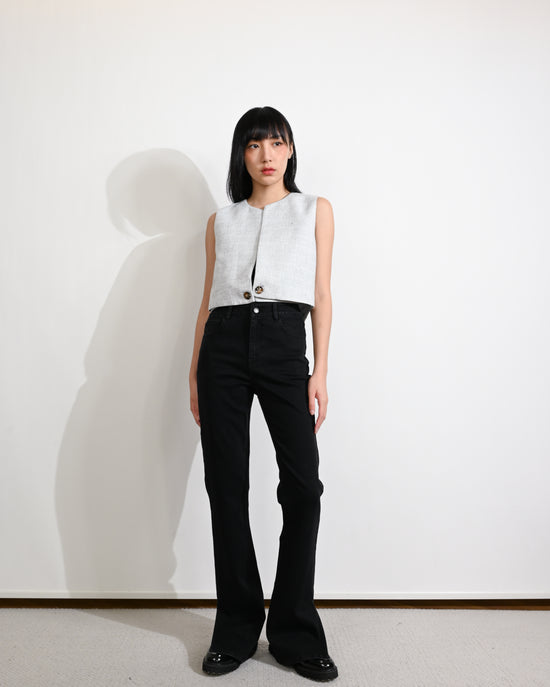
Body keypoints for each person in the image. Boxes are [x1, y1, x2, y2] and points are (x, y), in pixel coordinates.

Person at [189, 106, 338, 682]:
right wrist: (194, 373)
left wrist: (320, 370)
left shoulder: (314, 209)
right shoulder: (220, 221)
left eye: (276, 143)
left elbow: (321, 294)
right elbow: (207, 301)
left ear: (291, 149)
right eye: (254, 145)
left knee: (303, 487)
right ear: (242, 155)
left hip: (283, 344)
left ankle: (295, 630)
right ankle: (235, 628)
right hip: (223, 348)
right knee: (226, 487)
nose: (266, 155)